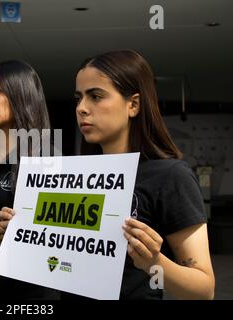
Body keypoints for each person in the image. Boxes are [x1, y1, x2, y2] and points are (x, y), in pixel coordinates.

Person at [72, 49, 215, 299]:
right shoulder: (74, 178)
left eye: (95, 96)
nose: (82, 108)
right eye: (79, 98)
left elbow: (204, 289)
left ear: (133, 105)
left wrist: (154, 262)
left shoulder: (171, 176)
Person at [0, 60, 59, 300]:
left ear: (22, 95)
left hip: (29, 291)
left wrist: (22, 232)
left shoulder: (46, 157)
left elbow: (62, 231)